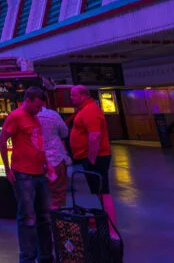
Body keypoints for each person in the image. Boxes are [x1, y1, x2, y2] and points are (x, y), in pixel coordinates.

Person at [0, 86, 53, 263]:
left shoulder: (34, 118)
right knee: (28, 217)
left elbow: (38, 143)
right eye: (37, 105)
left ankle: (45, 255)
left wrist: (47, 164)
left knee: (44, 216)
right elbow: (2, 140)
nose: (40, 109)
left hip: (39, 173)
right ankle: (27, 257)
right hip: (23, 174)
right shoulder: (15, 117)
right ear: (28, 100)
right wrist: (7, 168)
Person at [69, 85, 117, 235]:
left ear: (83, 95)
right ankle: (105, 223)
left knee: (103, 192)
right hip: (91, 157)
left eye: (74, 95)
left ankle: (111, 228)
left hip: (96, 157)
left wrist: (91, 158)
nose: (71, 98)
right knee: (98, 192)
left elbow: (94, 135)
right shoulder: (84, 110)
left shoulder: (90, 110)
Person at [35, 103, 70, 210]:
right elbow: (64, 133)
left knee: (38, 192)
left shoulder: (26, 116)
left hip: (36, 159)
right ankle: (56, 219)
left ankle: (42, 218)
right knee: (57, 191)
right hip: (55, 158)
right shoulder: (53, 115)